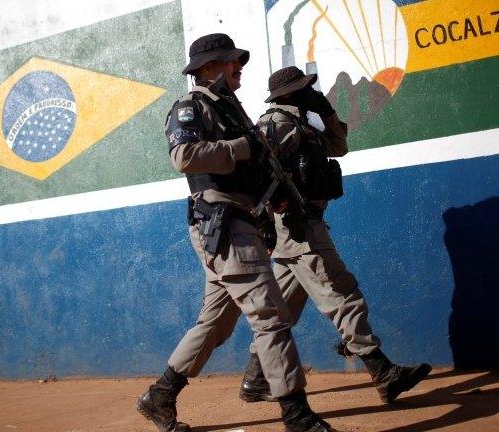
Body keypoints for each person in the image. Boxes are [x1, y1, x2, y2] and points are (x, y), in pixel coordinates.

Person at [136, 35, 332, 432]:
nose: (238, 67)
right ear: (208, 68)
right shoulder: (191, 107)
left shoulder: (233, 111)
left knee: (216, 324)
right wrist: (242, 148)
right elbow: (184, 157)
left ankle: (160, 396)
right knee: (271, 316)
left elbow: (252, 170)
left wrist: (272, 195)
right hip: (223, 222)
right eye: (230, 62)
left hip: (238, 222)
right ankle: (296, 415)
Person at [238, 66, 432, 405]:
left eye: (308, 87)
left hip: (299, 230)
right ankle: (382, 372)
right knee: (343, 294)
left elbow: (339, 146)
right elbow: (254, 173)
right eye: (301, 88)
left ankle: (256, 380)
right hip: (298, 226)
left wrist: (326, 111)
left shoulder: (302, 122)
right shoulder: (276, 124)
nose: (308, 91)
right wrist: (266, 218)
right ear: (283, 94)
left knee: (280, 311)